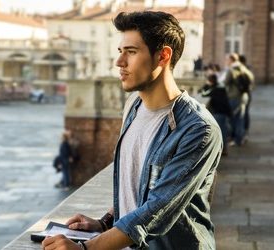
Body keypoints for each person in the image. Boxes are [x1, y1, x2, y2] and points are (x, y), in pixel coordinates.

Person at [42, 11, 222, 250]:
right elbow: (138, 187)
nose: (119, 62)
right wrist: (104, 223)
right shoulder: (134, 106)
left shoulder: (198, 130)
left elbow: (156, 211)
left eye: (132, 52)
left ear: (163, 56)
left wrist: (86, 248)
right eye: (120, 51)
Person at [224, 53, 253, 146]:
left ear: (231, 60)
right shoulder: (244, 68)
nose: (226, 61)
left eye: (227, 60)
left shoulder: (231, 69)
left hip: (233, 97)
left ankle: (236, 139)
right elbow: (251, 79)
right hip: (244, 96)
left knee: (233, 119)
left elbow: (225, 82)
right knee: (240, 118)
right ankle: (240, 138)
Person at [201, 74, 232, 156]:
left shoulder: (213, 89)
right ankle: (224, 149)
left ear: (210, 81)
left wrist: (206, 85)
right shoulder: (221, 87)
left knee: (219, 133)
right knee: (223, 131)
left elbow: (203, 93)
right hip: (224, 112)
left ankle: (221, 150)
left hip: (218, 112)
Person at [238, 54, 254, 139]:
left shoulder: (242, 70)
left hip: (244, 93)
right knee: (246, 112)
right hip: (248, 93)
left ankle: (243, 132)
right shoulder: (248, 69)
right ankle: (246, 130)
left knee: (242, 113)